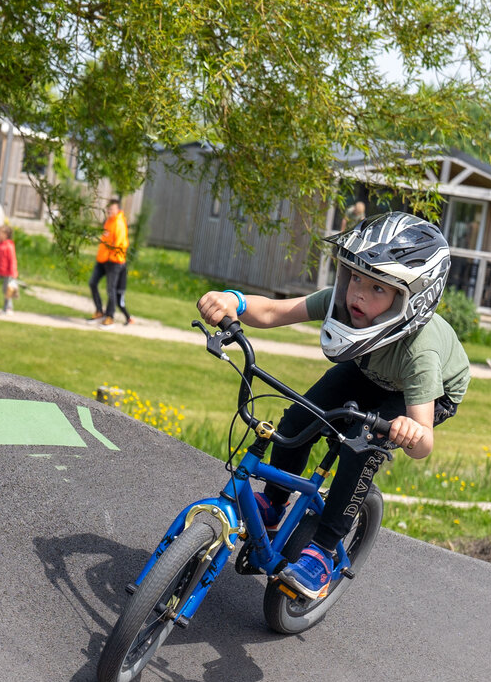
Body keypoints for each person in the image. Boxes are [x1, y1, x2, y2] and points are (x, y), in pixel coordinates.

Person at [196, 211, 469, 600]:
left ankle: (322, 551)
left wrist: (411, 431)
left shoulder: (419, 351)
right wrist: (233, 301)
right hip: (368, 367)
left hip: (424, 393)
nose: (358, 294)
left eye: (378, 289)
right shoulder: (344, 303)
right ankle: (274, 504)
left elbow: (423, 443)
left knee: (360, 446)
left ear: (409, 299)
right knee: (297, 419)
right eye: (355, 277)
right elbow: (274, 312)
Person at [88, 198, 131, 326]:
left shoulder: (119, 224)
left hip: (114, 261)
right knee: (92, 282)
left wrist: (110, 257)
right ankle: (99, 311)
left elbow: (117, 245)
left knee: (110, 289)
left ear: (117, 210)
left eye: (112, 209)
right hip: (103, 259)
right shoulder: (108, 221)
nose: (109, 211)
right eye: (108, 209)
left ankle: (110, 317)